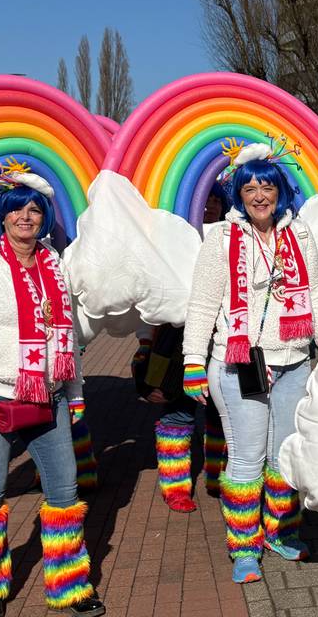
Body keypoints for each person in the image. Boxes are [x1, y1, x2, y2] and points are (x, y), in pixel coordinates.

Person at [0, 165, 105, 617]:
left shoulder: (54, 263)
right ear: (1, 216)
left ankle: (69, 586)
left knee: (65, 492)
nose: (26, 218)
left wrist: (76, 393)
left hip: (49, 399)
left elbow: (64, 338)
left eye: (34, 210)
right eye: (17, 210)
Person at [182, 143, 318, 583]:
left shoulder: (301, 235)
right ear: (238, 195)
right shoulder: (221, 239)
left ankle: (279, 532)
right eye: (249, 187)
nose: (259, 195)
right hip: (239, 363)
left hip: (294, 362)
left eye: (266, 185)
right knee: (247, 457)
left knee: (284, 455)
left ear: (280, 189)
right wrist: (192, 360)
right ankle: (244, 546)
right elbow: (202, 304)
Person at [131, 184, 230, 513]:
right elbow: (153, 297)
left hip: (221, 339)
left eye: (216, 201)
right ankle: (175, 486)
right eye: (206, 200)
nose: (210, 206)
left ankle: (217, 475)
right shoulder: (172, 242)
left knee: (221, 414)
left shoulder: (228, 240)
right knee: (176, 411)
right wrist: (146, 346)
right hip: (173, 341)